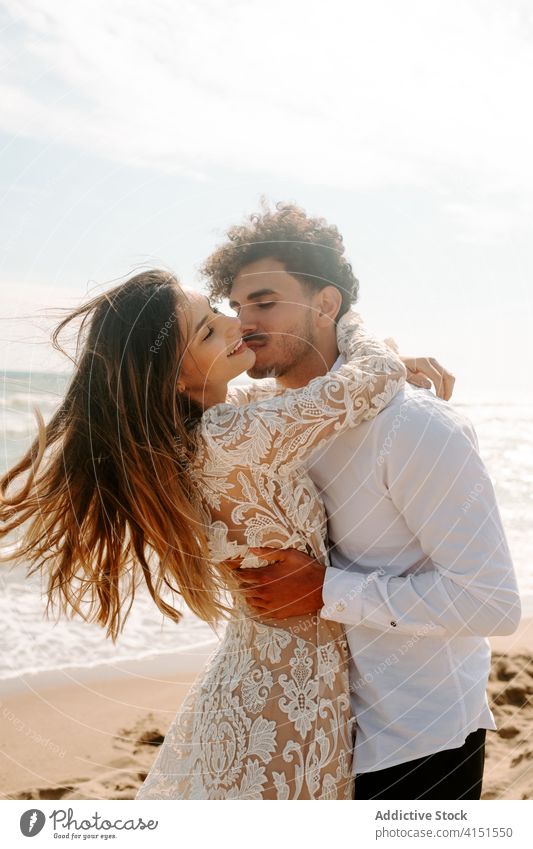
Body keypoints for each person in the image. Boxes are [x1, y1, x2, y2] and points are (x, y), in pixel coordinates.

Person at [1, 268, 414, 799]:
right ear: (173, 378)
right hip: (285, 695)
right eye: (206, 331)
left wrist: (393, 360)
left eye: (215, 310)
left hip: (271, 678)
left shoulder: (211, 427)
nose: (231, 320)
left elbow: (340, 388)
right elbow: (372, 376)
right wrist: (344, 317)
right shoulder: (234, 434)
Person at [203, 202, 522, 800]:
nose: (244, 321)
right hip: (299, 735)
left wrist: (325, 591)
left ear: (326, 304)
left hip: (415, 735)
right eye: (236, 306)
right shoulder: (258, 430)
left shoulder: (415, 426)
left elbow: (492, 603)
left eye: (265, 302)